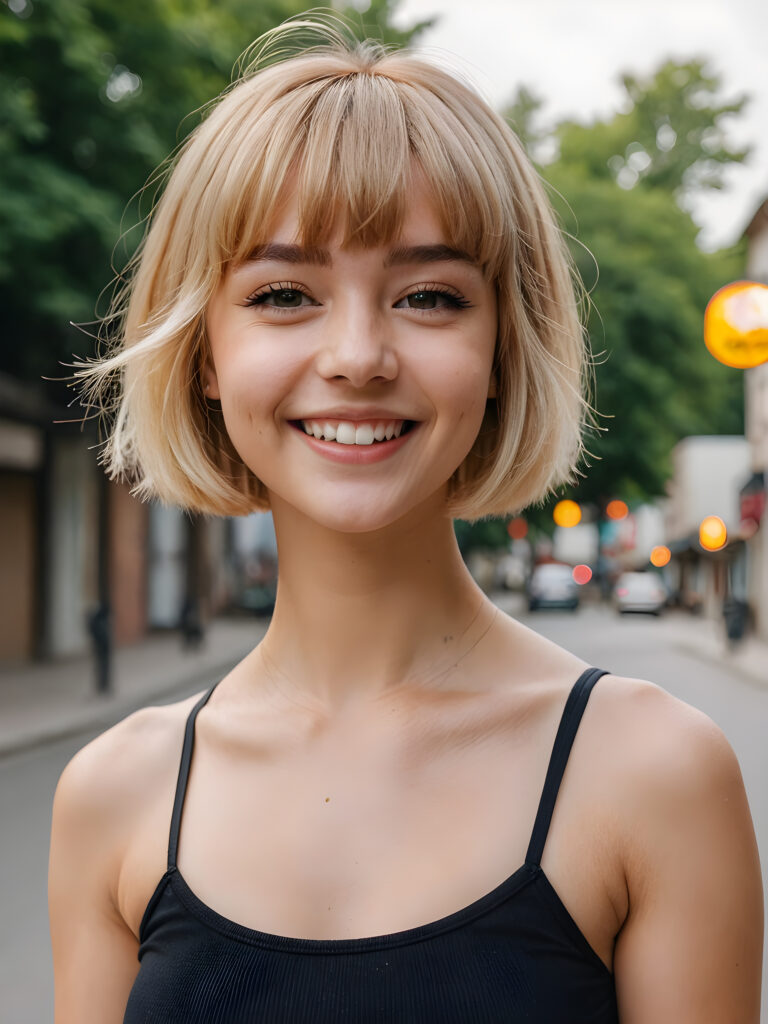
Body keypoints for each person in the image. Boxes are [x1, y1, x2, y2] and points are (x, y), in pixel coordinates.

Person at [49, 19, 763, 1023]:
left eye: (429, 296)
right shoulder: (111, 793)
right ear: (205, 351)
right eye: (285, 292)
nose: (358, 354)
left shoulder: (655, 774)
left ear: (505, 347)